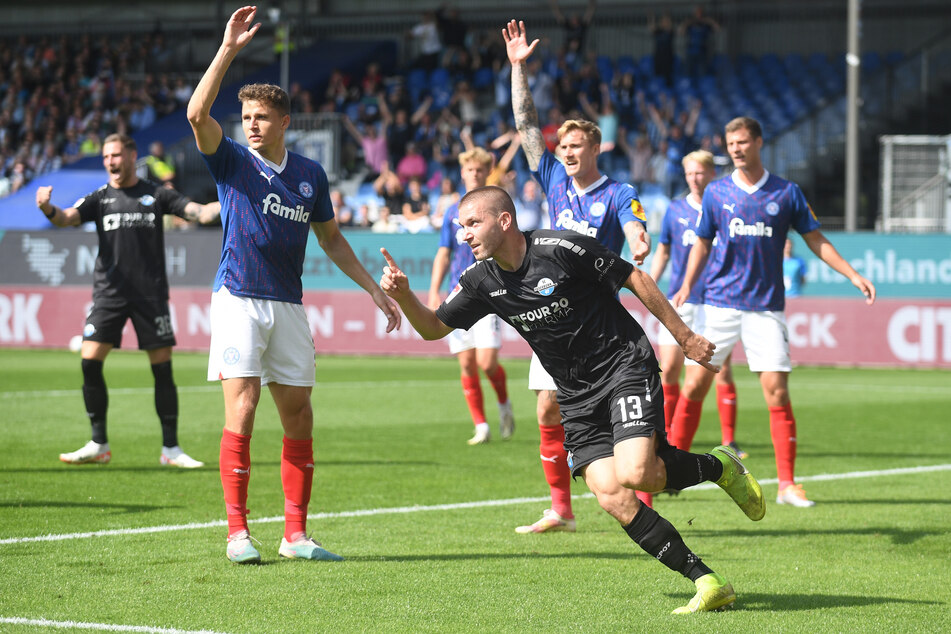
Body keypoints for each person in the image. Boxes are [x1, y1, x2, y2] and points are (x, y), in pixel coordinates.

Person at [380, 185, 766, 614]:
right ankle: (709, 581)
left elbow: (634, 277)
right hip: (576, 396)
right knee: (613, 494)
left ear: (503, 220)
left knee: (637, 472)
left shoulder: (561, 248)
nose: (464, 235)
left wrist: (685, 336)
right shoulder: (479, 280)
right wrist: (404, 296)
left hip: (623, 366)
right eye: (460, 227)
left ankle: (719, 467)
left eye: (473, 224)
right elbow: (433, 328)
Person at [186, 6, 401, 564]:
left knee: (299, 413)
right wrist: (229, 48)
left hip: (288, 304)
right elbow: (195, 112)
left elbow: (331, 240)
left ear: (283, 122)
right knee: (244, 406)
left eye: (261, 116)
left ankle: (295, 535)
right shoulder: (231, 161)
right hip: (238, 297)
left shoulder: (310, 175)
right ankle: (237, 534)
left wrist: (373, 291)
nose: (251, 124)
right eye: (247, 116)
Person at [672, 116, 876, 508]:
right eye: (731, 143)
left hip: (765, 309)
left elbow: (815, 239)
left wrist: (853, 274)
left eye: (743, 141)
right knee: (694, 386)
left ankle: (787, 485)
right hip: (719, 304)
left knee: (777, 393)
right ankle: (672, 472)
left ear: (759, 143)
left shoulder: (786, 193)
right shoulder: (716, 193)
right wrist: (685, 284)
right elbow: (701, 243)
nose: (736, 148)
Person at [505, 19, 653, 533]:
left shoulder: (616, 191)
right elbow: (525, 124)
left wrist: (638, 239)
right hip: (549, 315)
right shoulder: (550, 179)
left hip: (597, 319)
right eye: (562, 147)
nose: (566, 153)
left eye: (575, 146)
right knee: (547, 409)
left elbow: (635, 221)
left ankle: (644, 496)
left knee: (616, 412)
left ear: (594, 149)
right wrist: (518, 68)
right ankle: (561, 510)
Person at [35, 133, 219, 468]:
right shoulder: (99, 199)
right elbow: (65, 219)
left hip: (150, 295)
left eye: (117, 155)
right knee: (90, 361)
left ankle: (171, 449)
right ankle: (98, 443)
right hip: (109, 293)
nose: (111, 162)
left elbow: (198, 213)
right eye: (106, 157)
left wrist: (231, 201)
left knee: (162, 369)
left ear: (133, 156)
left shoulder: (156, 194)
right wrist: (48, 208)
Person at [650, 150, 745, 459]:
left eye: (700, 173)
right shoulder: (676, 210)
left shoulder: (726, 209)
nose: (694, 178)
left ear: (710, 174)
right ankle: (669, 438)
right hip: (680, 300)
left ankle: (726, 439)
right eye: (689, 173)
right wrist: (650, 283)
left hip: (717, 301)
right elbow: (663, 249)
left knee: (716, 372)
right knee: (670, 373)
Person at [427, 147, 515, 446]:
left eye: (480, 170)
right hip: (459, 291)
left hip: (491, 290)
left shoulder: (497, 207)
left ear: (486, 172)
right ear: (462, 173)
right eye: (469, 170)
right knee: (466, 365)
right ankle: (481, 425)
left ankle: (504, 404)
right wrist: (433, 290)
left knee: (487, 362)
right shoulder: (453, 212)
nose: (474, 175)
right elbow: (444, 252)